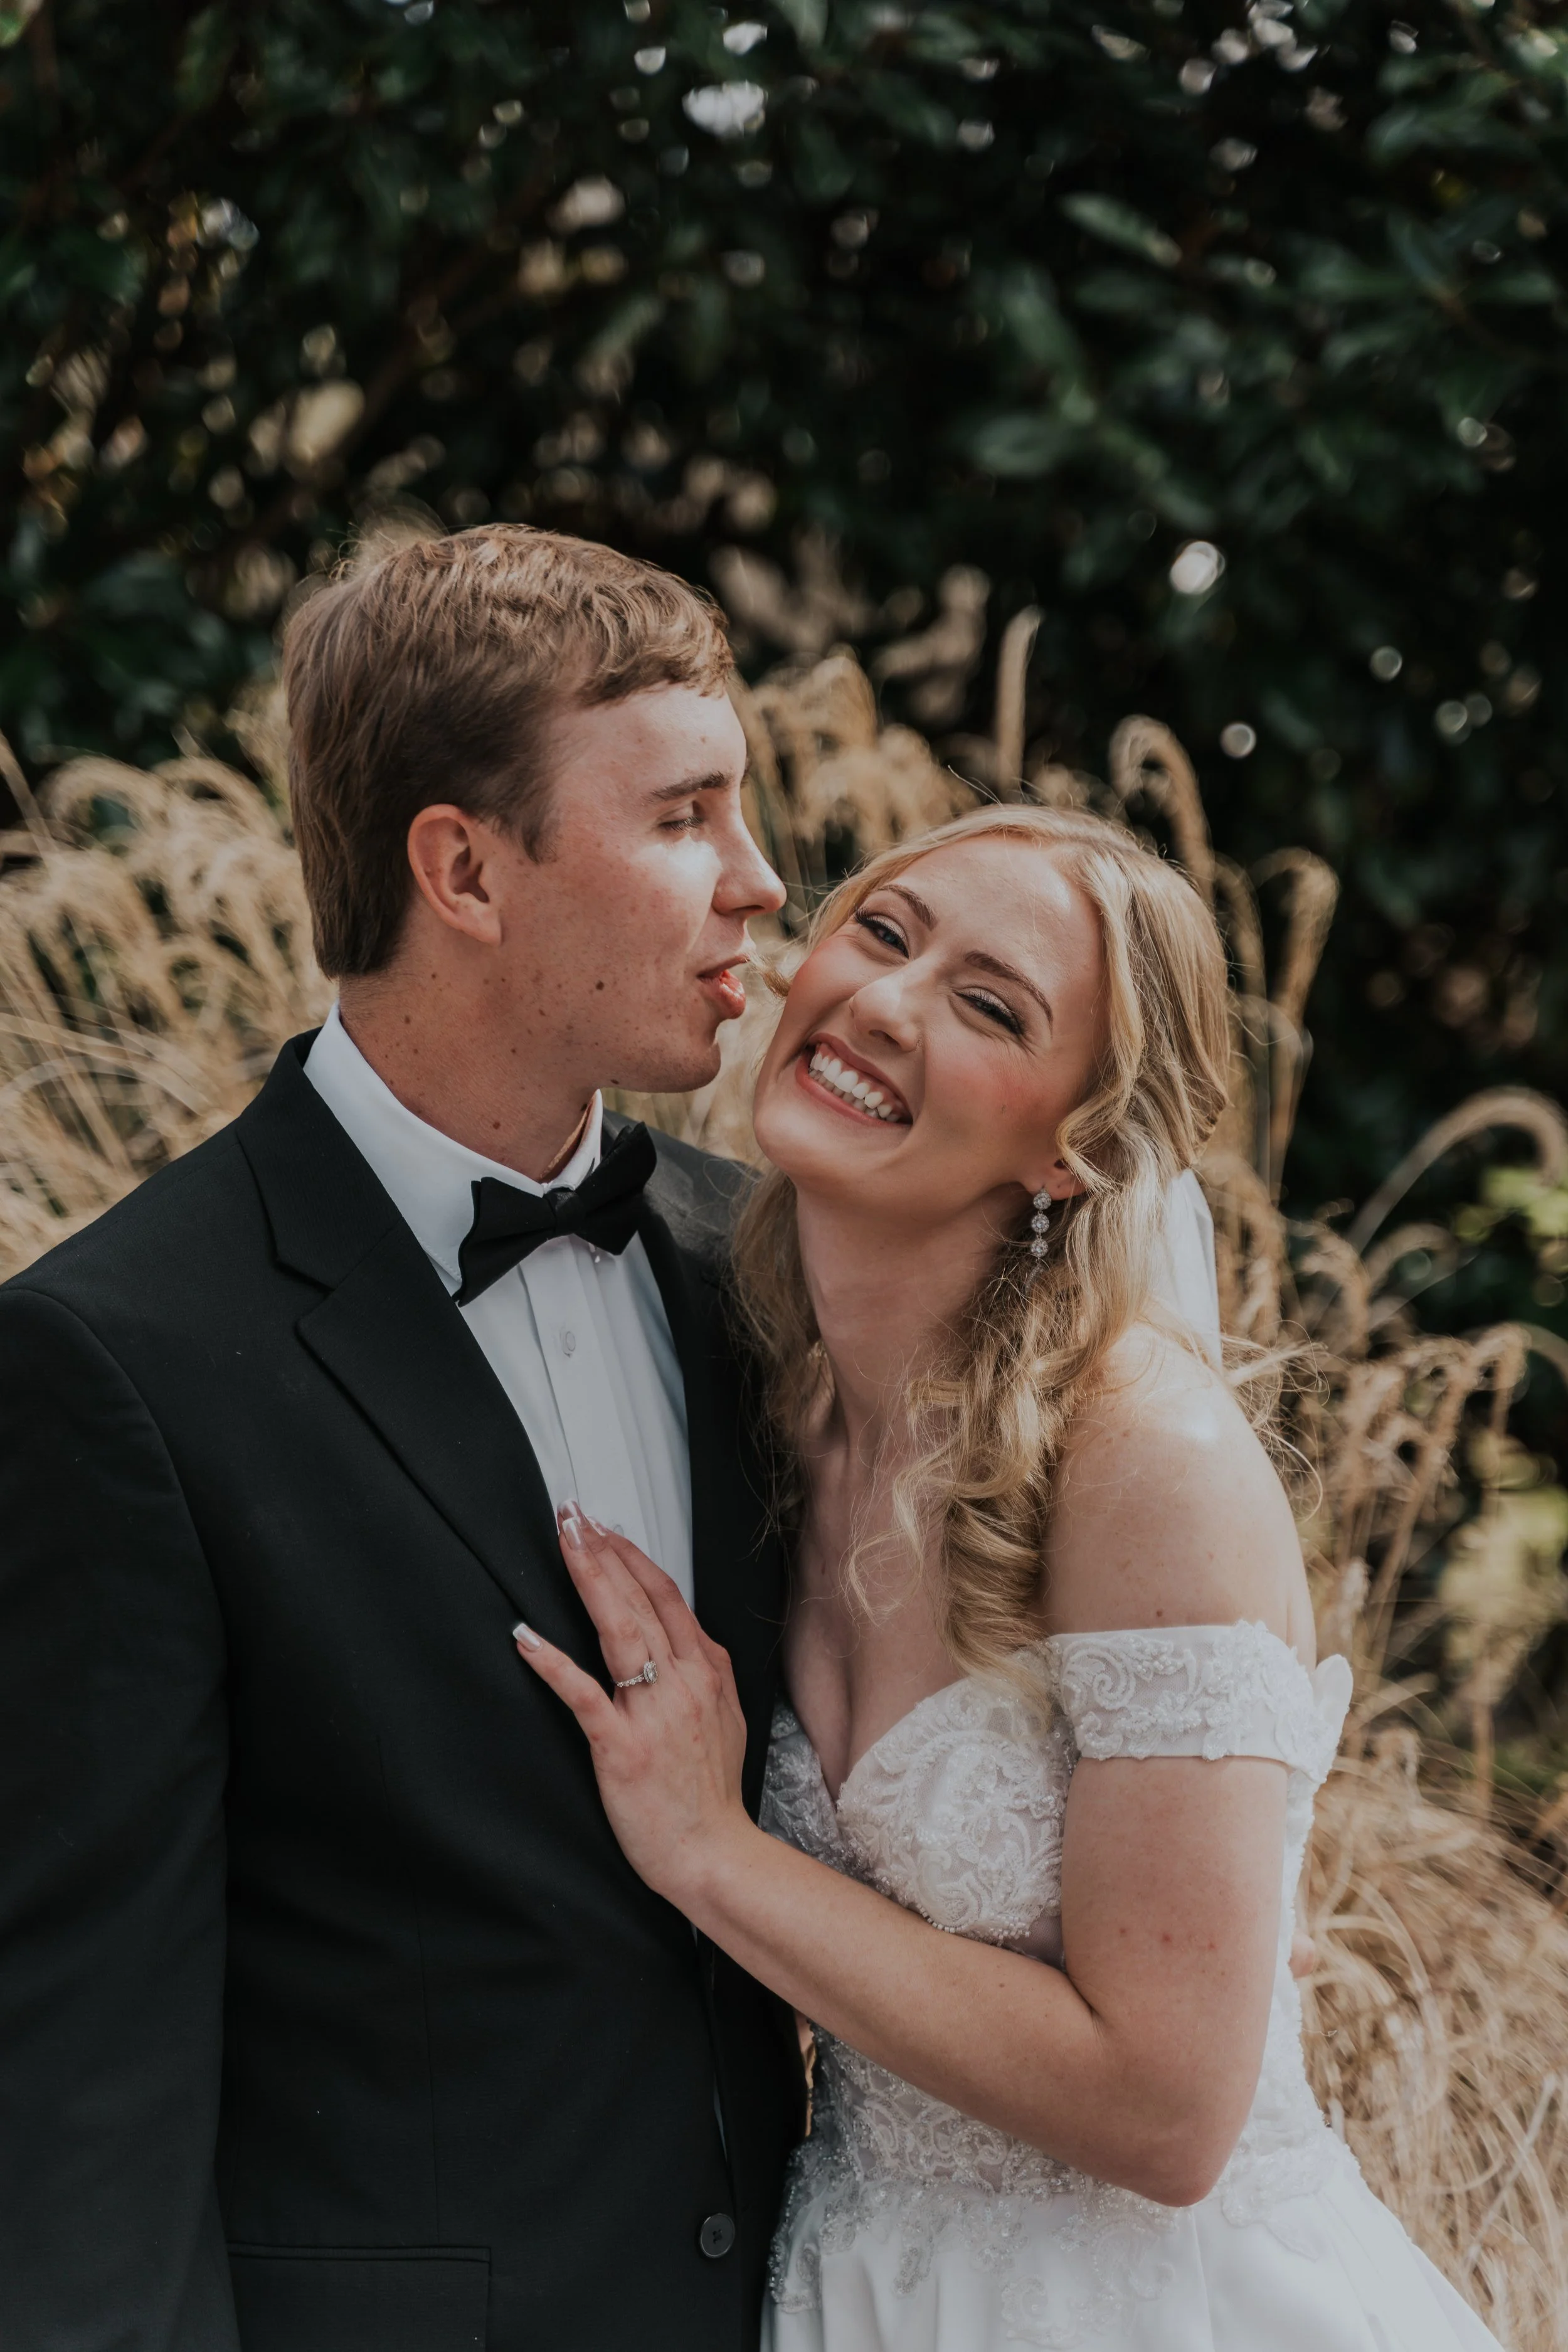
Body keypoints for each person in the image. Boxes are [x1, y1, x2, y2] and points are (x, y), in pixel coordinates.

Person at [516, 804, 1505, 2352]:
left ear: (1077, 1145)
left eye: (988, 1005)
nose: (883, 1006)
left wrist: (715, 1852)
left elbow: (1171, 2109)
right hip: (854, 2286)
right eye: (883, 932)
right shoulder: (751, 1390)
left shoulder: (1139, 1462)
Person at [0, 527, 805, 2352]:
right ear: (463, 866)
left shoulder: (772, 1275)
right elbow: (79, 2095)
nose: (754, 881)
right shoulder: (108, 1359)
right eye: (685, 817)